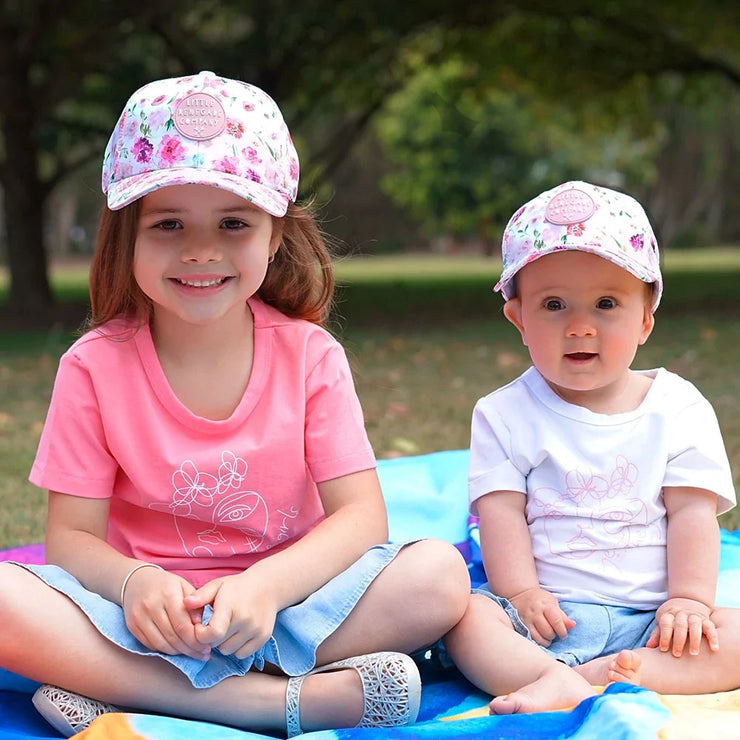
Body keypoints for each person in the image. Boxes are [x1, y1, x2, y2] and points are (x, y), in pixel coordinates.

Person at [0, 71, 471, 738]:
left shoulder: (309, 356)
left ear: (274, 235)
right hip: (143, 622)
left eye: (233, 223)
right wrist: (134, 584)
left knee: (439, 576)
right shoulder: (92, 368)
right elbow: (69, 540)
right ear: (127, 234)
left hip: (290, 610)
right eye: (168, 224)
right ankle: (265, 702)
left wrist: (270, 587)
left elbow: (362, 517)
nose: (200, 250)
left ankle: (133, 694)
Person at [443, 180, 740, 714]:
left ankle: (594, 680)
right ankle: (552, 675)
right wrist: (520, 595)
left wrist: (690, 601)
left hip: (654, 620)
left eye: (606, 304)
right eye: (554, 305)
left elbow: (694, 514)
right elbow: (501, 514)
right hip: (546, 620)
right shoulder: (504, 413)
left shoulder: (679, 407)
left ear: (646, 318)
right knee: (466, 621)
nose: (580, 327)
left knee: (734, 633)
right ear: (519, 319)